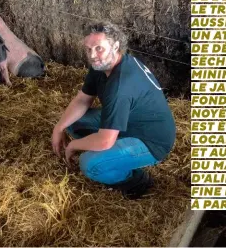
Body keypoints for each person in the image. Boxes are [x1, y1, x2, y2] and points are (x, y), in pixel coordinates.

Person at [51, 21, 176, 199]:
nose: (93, 55)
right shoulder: (102, 65)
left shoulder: (120, 87)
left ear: (116, 46)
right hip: (128, 121)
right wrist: (59, 127)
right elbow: (82, 99)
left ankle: (137, 180)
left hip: (151, 140)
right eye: (88, 49)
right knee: (74, 122)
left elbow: (105, 142)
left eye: (99, 48)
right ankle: (112, 153)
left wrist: (73, 145)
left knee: (89, 164)